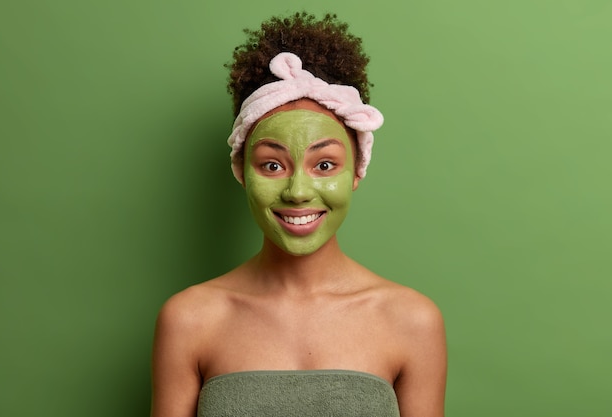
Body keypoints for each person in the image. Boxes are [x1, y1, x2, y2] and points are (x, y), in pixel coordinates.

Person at [151, 12, 447, 417]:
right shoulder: (189, 320)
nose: (297, 192)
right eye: (272, 165)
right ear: (241, 170)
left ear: (357, 169)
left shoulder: (411, 320)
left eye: (324, 165)